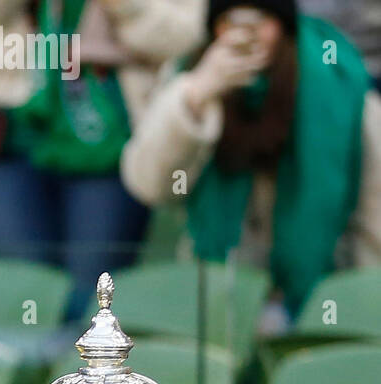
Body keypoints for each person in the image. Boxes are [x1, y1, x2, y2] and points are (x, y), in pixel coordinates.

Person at [121, 0, 381, 324]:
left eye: (258, 20)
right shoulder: (190, 74)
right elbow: (149, 185)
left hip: (321, 296)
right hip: (216, 297)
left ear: (283, 26)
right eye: (230, 21)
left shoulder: (340, 87)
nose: (244, 35)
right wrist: (196, 95)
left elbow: (373, 219)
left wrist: (366, 315)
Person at [0, 0, 207, 317]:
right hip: (20, 136)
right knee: (23, 299)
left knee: (91, 303)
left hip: (110, 143)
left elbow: (182, 37)